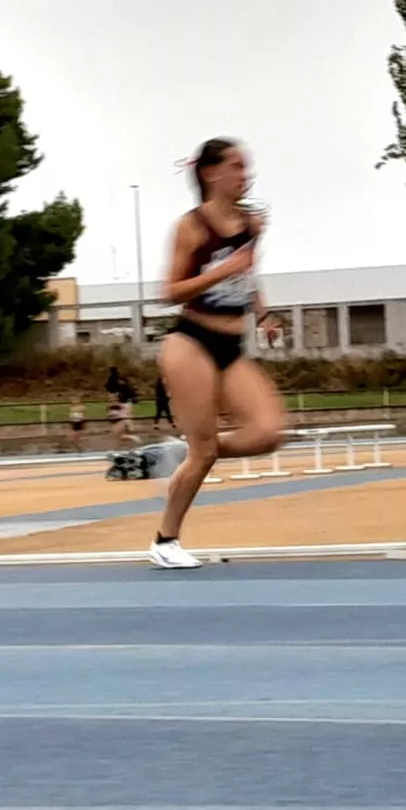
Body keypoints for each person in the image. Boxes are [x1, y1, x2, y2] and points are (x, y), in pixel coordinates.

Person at [142, 138, 289, 570]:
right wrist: (221, 270)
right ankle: (165, 540)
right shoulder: (191, 227)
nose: (246, 175)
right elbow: (169, 292)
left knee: (268, 432)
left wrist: (264, 316)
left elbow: (248, 277)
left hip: (232, 346)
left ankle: (187, 452)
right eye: (237, 166)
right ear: (211, 173)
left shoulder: (251, 224)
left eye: (247, 167)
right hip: (190, 343)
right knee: (203, 453)